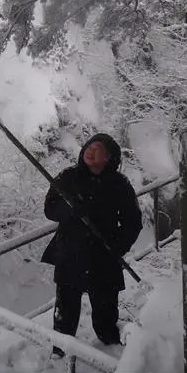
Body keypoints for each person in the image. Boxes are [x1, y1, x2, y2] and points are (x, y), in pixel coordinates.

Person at [41, 133, 143, 357]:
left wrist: (117, 245)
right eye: (90, 145)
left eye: (99, 149)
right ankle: (60, 347)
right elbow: (50, 209)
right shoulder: (68, 178)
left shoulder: (119, 185)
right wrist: (69, 210)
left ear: (108, 159)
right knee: (66, 305)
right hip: (70, 253)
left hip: (104, 255)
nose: (90, 149)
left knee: (105, 304)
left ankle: (109, 341)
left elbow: (133, 221)